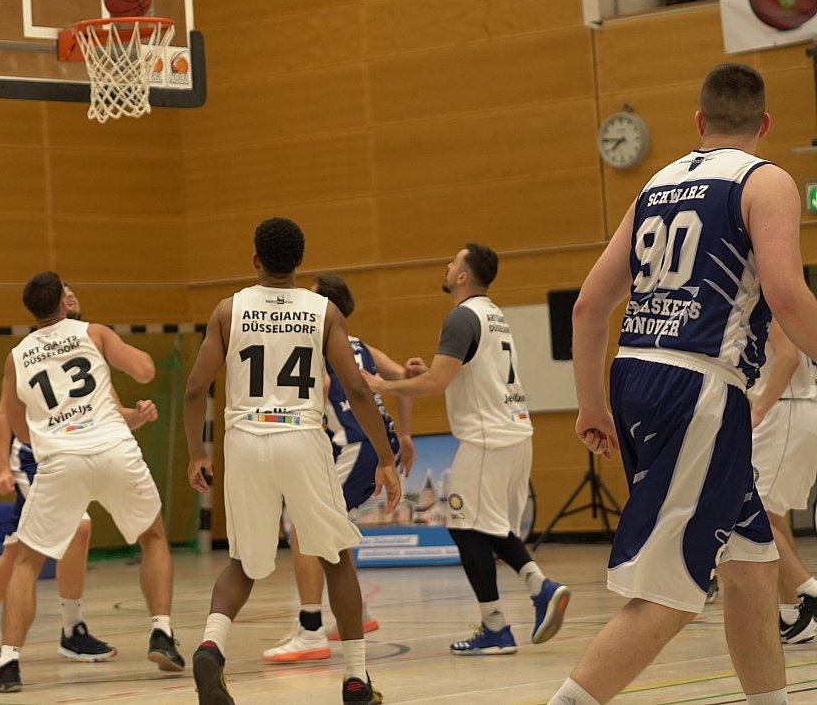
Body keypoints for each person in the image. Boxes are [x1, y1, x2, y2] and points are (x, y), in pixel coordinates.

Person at [545, 62, 817, 705]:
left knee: (752, 565)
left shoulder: (656, 184)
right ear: (765, 124)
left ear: (699, 121)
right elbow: (786, 295)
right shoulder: (765, 180)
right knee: (670, 594)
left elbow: (588, 308)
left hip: (635, 375)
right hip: (698, 385)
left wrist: (591, 407)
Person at [184, 217, 399, 705]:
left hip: (244, 439)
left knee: (243, 561)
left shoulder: (228, 310)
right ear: (300, 262)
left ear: (255, 259)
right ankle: (355, 679)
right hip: (301, 435)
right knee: (335, 556)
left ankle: (211, 645)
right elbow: (358, 388)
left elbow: (196, 388)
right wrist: (385, 457)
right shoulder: (323, 311)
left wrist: (197, 452)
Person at [0, 271, 183, 693]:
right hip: (115, 450)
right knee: (153, 537)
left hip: (61, 460)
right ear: (64, 302)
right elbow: (145, 371)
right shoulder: (94, 333)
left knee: (27, 562)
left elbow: (20, 429)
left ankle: (9, 662)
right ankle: (161, 632)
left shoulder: (16, 356)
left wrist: (56, 430)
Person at [369, 242, 570, 657]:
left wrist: (382, 384)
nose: (446, 266)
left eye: (452, 262)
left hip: (486, 439)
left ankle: (503, 621)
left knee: (464, 525)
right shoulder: (493, 314)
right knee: (484, 526)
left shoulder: (461, 316)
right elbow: (465, 373)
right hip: (514, 433)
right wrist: (431, 371)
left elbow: (435, 385)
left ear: (462, 276)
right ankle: (534, 591)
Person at [264, 272, 415, 665]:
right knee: (331, 527)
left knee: (303, 526)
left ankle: (310, 630)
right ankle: (358, 613)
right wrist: (405, 434)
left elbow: (323, 390)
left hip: (356, 446)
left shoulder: (316, 343)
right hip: (377, 442)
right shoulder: (360, 344)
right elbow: (402, 377)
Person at [750, 320, 817, 644]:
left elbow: (787, 357)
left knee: (750, 513)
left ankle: (809, 591)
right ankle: (793, 614)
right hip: (793, 410)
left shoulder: (772, 302)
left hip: (784, 411)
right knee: (772, 516)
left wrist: (758, 411)